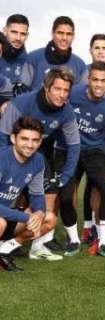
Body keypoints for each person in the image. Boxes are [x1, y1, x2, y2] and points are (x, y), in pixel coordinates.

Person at [0, 68, 79, 260]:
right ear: (46, 87)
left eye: (66, 90)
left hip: (34, 153)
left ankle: (15, 246)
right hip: (10, 151)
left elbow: (75, 145)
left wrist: (66, 176)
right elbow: (3, 135)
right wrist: (12, 162)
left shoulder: (66, 111)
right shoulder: (22, 103)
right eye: (57, 89)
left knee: (47, 212)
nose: (62, 94)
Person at [57, 62, 105, 258]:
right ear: (88, 80)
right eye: (95, 80)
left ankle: (104, 243)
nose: (99, 85)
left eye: (103, 81)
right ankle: (73, 240)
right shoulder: (72, 94)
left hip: (94, 152)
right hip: (66, 149)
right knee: (66, 196)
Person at [0, 116, 46, 271]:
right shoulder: (2, 158)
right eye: (24, 139)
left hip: (8, 213)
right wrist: (27, 218)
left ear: (40, 142)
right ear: (13, 138)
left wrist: (39, 213)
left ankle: (4, 250)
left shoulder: (38, 160)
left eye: (35, 140)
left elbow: (37, 193)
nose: (30, 145)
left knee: (48, 219)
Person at [27, 16, 85, 90]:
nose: (64, 38)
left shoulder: (80, 65)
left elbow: (83, 96)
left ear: (73, 36)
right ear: (52, 33)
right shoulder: (33, 59)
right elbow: (21, 92)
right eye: (60, 33)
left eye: (69, 34)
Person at [0, 14, 33, 103]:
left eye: (22, 34)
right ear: (5, 31)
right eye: (14, 32)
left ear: (27, 35)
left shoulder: (30, 65)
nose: (18, 38)